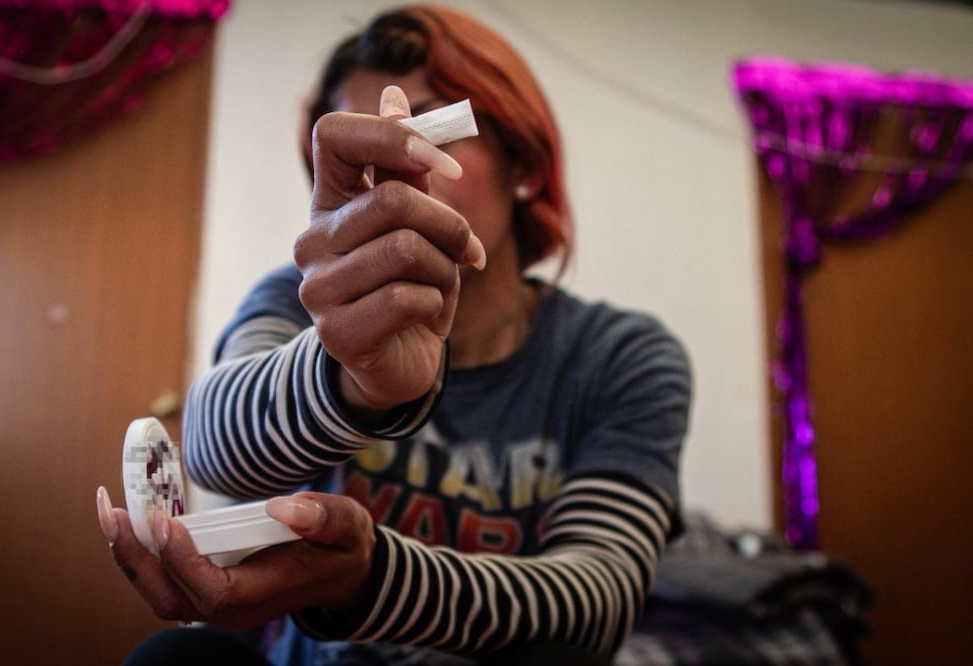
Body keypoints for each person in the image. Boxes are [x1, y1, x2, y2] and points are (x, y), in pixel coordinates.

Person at [96, 4, 692, 665]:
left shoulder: (619, 357)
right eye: (360, 154)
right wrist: (351, 380)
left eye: (429, 134)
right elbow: (213, 453)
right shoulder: (297, 301)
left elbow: (597, 598)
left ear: (523, 168)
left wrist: (373, 579)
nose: (388, 182)